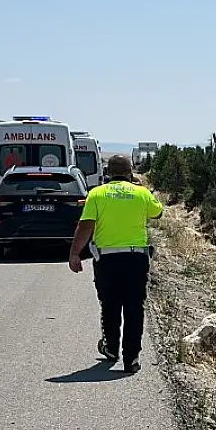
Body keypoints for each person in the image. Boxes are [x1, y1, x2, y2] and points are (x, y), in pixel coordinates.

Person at [68, 154, 163, 373]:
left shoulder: (97, 193)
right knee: (134, 307)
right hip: (136, 258)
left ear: (108, 172)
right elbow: (158, 213)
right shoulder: (142, 193)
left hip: (107, 259)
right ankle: (131, 358)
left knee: (109, 305)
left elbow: (86, 226)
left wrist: (74, 253)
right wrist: (140, 187)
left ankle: (111, 348)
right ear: (130, 172)